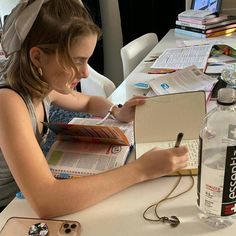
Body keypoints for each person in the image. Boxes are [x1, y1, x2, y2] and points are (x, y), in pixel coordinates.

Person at [0, 0, 189, 218]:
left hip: (24, 191)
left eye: (86, 61)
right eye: (77, 61)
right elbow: (47, 201)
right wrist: (141, 170)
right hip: (7, 208)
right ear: (37, 57)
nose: (85, 73)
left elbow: (87, 102)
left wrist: (117, 111)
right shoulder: (9, 102)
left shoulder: (41, 83)